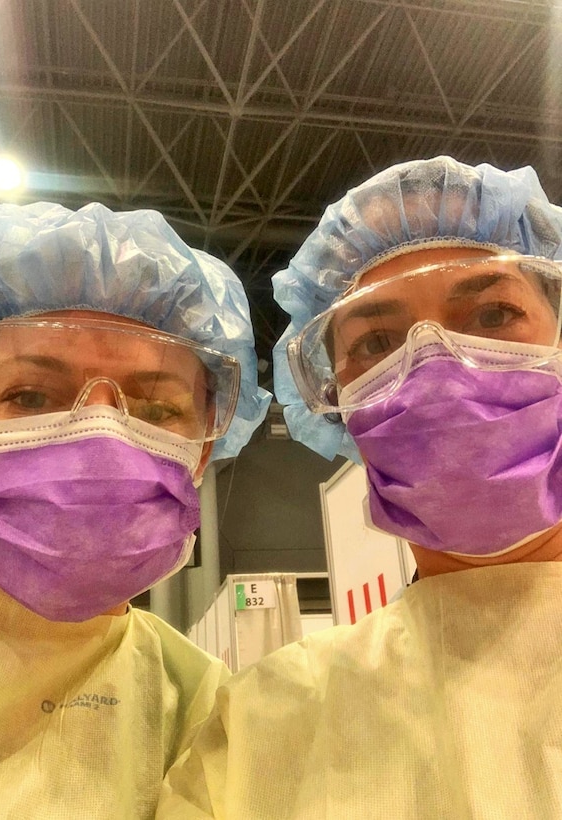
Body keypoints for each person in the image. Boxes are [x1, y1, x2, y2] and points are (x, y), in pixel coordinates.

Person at [157, 156, 562, 818]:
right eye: (376, 340)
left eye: (492, 315)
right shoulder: (270, 722)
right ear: (333, 401)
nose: (437, 364)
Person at [0, 201, 270, 818]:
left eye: (154, 410)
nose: (101, 438)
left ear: (201, 453)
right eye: (32, 395)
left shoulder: (203, 706)